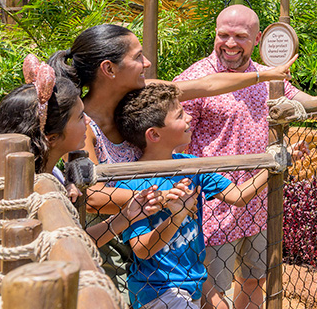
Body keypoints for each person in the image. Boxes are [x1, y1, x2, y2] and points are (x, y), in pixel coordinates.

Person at [47, 23, 295, 291]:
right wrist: (164, 197)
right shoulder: (82, 126)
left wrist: (264, 75)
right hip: (109, 242)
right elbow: (94, 197)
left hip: (151, 233)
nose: (147, 62)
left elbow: (207, 85)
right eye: (137, 57)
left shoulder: (139, 100)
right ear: (109, 69)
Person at [174, 5, 317, 309]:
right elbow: (175, 143)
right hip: (214, 206)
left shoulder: (267, 77)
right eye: (223, 34)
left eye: (240, 36)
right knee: (212, 293)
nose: (231, 43)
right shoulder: (196, 78)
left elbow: (310, 104)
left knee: (254, 280)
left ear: (258, 38)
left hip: (260, 201)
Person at [113, 83, 303, 309]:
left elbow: (237, 196)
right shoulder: (134, 182)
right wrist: (177, 215)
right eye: (180, 115)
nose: (190, 117)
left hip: (192, 281)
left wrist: (278, 162)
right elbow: (142, 250)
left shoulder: (191, 165)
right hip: (157, 290)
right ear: (154, 134)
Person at [0, 54, 164, 248]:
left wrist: (125, 217)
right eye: (80, 117)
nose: (88, 121)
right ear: (51, 138)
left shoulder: (50, 174)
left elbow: (76, 242)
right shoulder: (26, 193)